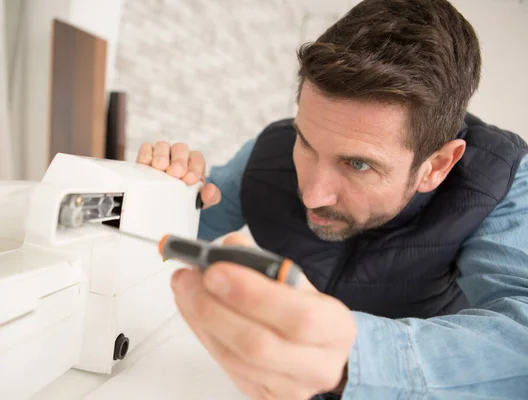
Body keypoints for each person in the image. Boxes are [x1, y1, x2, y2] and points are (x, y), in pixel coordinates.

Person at [137, 0, 528, 398]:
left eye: (358, 164)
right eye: (305, 143)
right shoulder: (267, 153)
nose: (312, 194)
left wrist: (353, 362)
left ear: (436, 167)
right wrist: (163, 191)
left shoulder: (501, 181)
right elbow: (160, 237)